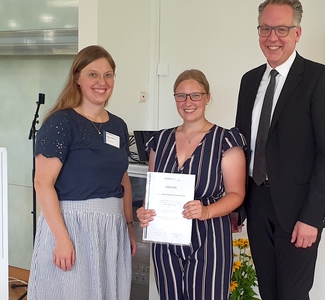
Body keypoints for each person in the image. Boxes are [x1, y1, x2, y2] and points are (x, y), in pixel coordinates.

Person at [235, 1, 325, 299]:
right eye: (265, 29)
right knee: (268, 293)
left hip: (299, 211)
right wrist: (237, 205)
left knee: (293, 295)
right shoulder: (249, 81)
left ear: (297, 33)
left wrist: (312, 217)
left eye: (281, 29)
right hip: (257, 205)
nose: (273, 37)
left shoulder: (320, 80)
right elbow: (241, 147)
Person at [27, 45, 137, 300]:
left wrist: (128, 228)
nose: (102, 82)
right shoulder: (61, 123)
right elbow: (43, 183)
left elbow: (123, 180)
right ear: (77, 78)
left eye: (108, 75)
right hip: (73, 226)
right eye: (93, 74)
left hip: (112, 228)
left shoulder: (118, 126)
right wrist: (62, 239)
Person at [137, 69, 247, 300]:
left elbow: (236, 194)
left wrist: (207, 211)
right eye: (181, 96)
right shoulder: (160, 140)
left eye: (195, 95)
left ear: (207, 98)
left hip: (209, 238)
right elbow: (152, 190)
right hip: (166, 240)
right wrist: (145, 211)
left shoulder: (226, 140)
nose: (188, 102)